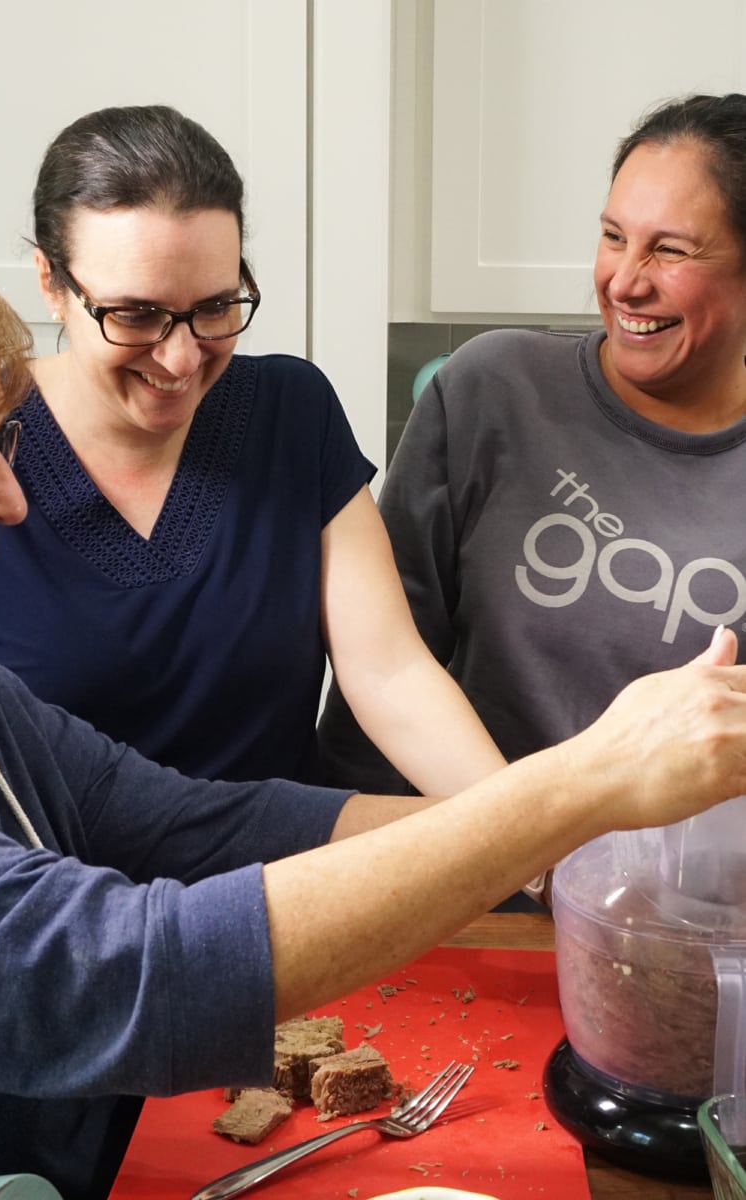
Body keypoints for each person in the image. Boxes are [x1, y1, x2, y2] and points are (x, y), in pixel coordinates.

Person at [0, 234, 746, 1200]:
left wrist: (596, 836)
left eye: (5, 445)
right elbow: (120, 971)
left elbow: (201, 825)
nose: (11, 499)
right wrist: (583, 784)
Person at [0, 103, 505, 796]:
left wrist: (536, 842)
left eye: (216, 307)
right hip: (63, 896)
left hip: (283, 889)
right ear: (51, 283)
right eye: (136, 314)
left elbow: (390, 674)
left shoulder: (291, 410)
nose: (182, 356)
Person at [320, 92, 746, 797]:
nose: (625, 281)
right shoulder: (491, 391)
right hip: (460, 865)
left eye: (670, 250)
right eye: (613, 237)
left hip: (671, 898)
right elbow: (383, 675)